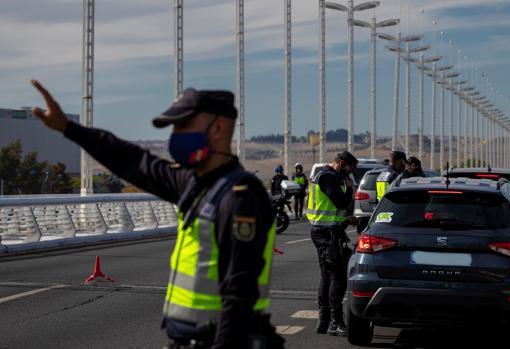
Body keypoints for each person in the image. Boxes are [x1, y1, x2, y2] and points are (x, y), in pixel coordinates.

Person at [31, 81, 284, 349]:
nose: (176, 135)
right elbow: (133, 160)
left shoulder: (238, 196)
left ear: (219, 128)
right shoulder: (196, 184)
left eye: (184, 125)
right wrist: (69, 129)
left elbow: (239, 293)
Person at [306, 151, 359, 337]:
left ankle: (325, 321)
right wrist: (350, 189)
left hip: (326, 230)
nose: (349, 174)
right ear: (342, 163)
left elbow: (331, 208)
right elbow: (340, 202)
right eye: (349, 169)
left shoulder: (324, 175)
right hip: (327, 234)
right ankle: (335, 323)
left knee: (327, 276)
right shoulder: (328, 177)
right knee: (337, 277)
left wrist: (346, 219)